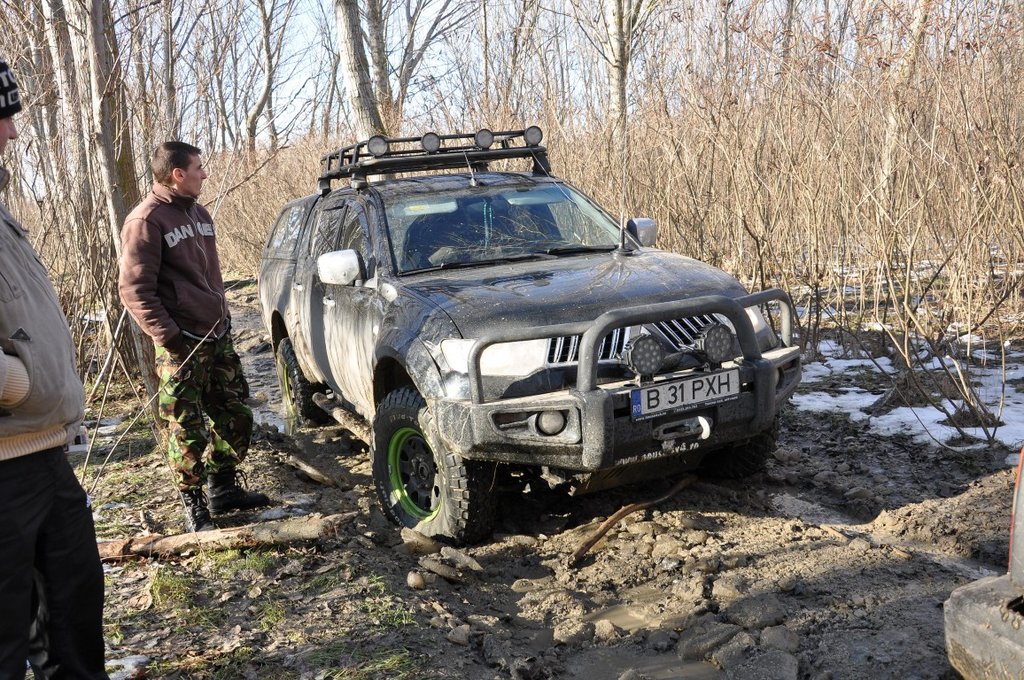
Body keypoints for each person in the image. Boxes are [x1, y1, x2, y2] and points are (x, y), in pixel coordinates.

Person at [0, 58, 109, 679]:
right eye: (2, 117)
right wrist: (16, 384)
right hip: (4, 463)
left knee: (75, 603)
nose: (13, 131)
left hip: (40, 451)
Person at [119, 141, 269, 533]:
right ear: (178, 174)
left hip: (217, 336)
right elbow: (134, 291)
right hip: (181, 346)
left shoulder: (199, 214)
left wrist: (223, 318)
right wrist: (171, 336)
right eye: (199, 167)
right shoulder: (145, 220)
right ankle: (194, 505)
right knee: (186, 429)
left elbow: (210, 277)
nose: (204, 173)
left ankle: (223, 488)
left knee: (236, 415)